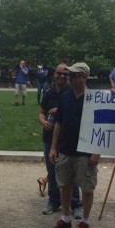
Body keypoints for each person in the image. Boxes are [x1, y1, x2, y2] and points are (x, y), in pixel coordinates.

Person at [48, 62, 101, 228]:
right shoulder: (65, 96)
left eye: (72, 76)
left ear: (83, 77)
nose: (67, 78)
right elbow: (59, 123)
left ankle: (85, 221)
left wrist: (96, 152)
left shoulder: (95, 99)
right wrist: (54, 147)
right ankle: (65, 218)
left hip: (85, 152)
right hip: (65, 149)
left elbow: (101, 127)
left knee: (87, 188)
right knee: (64, 185)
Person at [37, 63, 83, 217]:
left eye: (65, 74)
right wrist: (43, 121)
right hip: (49, 138)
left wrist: (61, 111)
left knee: (72, 173)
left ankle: (76, 204)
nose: (62, 76)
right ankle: (54, 201)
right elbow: (41, 112)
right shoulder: (49, 93)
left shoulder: (73, 92)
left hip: (68, 139)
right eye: (59, 73)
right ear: (54, 74)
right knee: (51, 170)